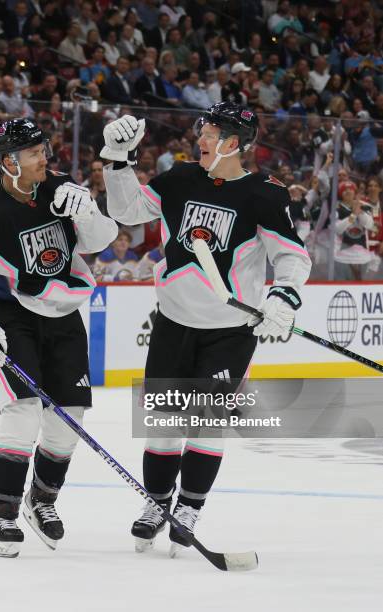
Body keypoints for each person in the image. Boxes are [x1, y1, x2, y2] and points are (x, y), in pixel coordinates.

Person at [101, 102, 311, 555]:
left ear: (234, 143)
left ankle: (190, 506)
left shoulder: (265, 194)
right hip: (174, 321)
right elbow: (128, 210)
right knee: (163, 423)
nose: (201, 139)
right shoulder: (180, 178)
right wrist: (117, 162)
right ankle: (156, 503)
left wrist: (285, 295)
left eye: (211, 134)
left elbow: (292, 255)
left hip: (230, 330)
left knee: (206, 422)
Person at [0, 118, 117, 558]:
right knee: (22, 412)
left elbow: (102, 242)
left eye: (44, 149)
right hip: (12, 316)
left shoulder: (60, 190)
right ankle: (2, 513)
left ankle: (44, 500)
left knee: (69, 416)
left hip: (64, 314)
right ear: (9, 162)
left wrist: (87, 210)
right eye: (35, 153)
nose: (45, 158)